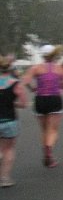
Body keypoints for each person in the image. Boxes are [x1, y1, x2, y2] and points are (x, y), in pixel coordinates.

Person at [21, 44, 63, 167]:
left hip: (40, 99)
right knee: (53, 130)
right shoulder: (60, 69)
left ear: (42, 55)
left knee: (44, 130)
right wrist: (57, 85)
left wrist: (33, 88)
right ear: (54, 55)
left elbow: (26, 81)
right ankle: (49, 150)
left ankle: (47, 154)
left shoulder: (36, 68)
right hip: (55, 99)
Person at [0, 56, 29, 187]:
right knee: (8, 149)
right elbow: (24, 104)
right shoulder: (15, 83)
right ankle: (5, 178)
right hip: (9, 120)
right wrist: (13, 104)